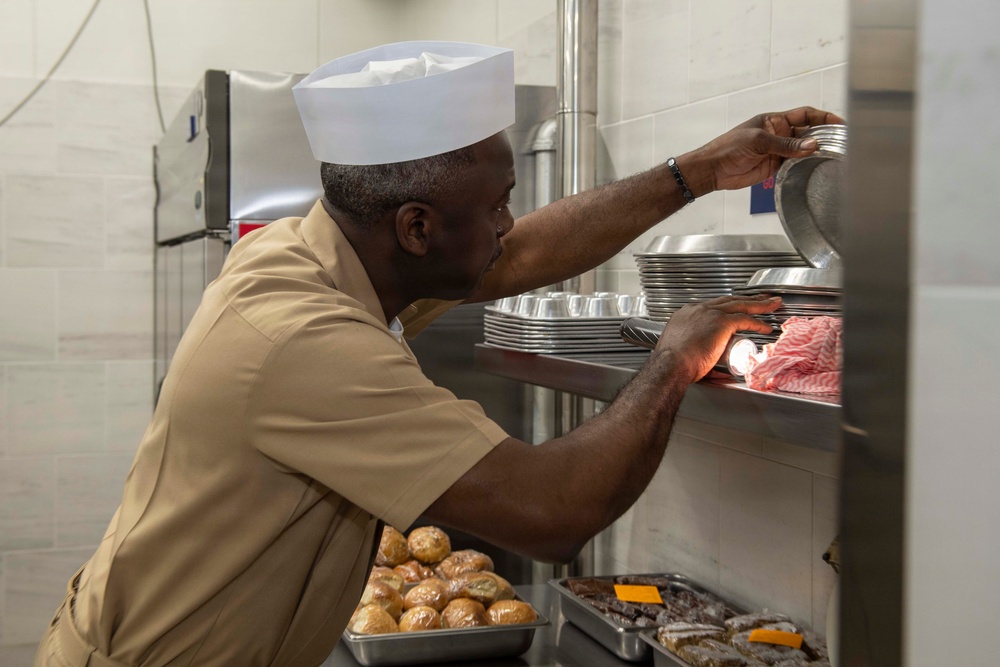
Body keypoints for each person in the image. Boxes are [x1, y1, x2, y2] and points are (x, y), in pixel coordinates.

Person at [35, 42, 844, 667]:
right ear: (417, 229)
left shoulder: (319, 253)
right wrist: (674, 354)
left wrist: (696, 173)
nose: (505, 223)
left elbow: (517, 254)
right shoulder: (302, 336)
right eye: (496, 205)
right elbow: (553, 509)